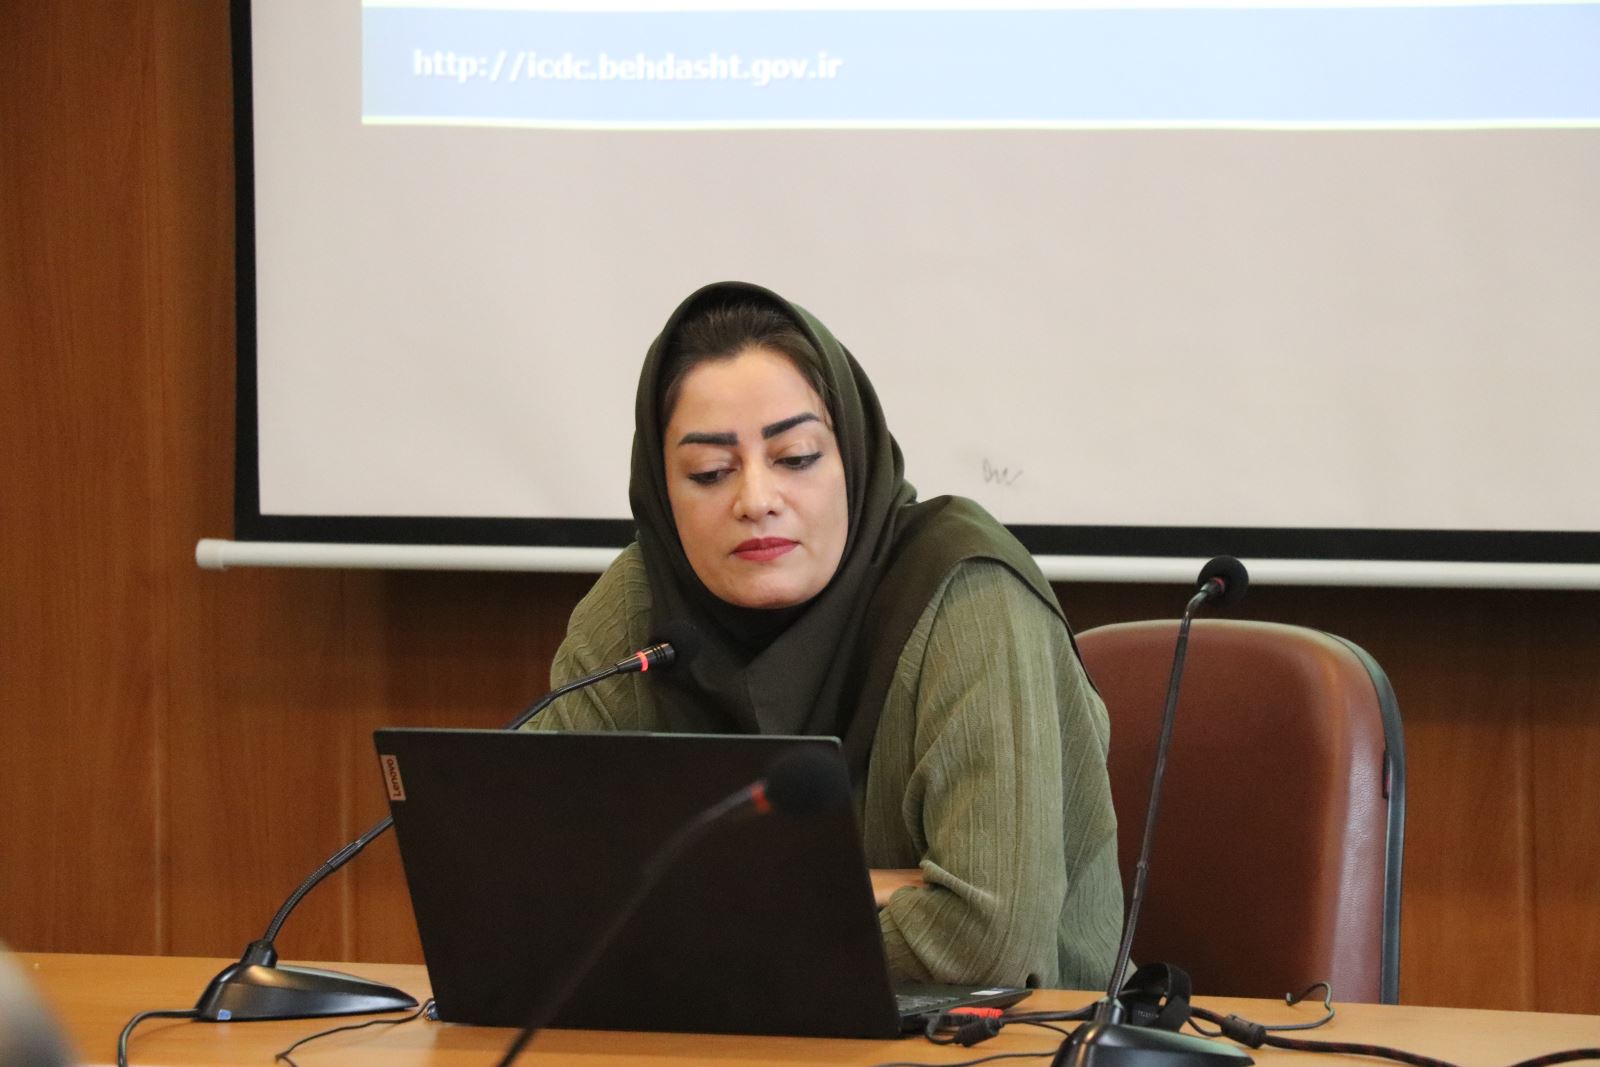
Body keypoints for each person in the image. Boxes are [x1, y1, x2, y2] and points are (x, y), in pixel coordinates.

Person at [527, 281, 1123, 990]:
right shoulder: (640, 604)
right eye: (709, 472)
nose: (756, 500)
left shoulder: (966, 594)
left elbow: (985, 942)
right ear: (661, 489)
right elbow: (528, 884)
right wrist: (877, 889)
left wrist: (682, 917)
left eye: (797, 457)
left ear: (853, 458)